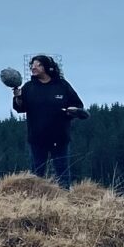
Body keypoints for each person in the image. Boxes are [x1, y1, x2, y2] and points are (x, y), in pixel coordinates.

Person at [12, 54, 86, 188]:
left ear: (48, 67)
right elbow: (20, 108)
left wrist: (73, 110)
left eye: (38, 64)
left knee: (62, 172)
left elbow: (78, 105)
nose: (34, 67)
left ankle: (64, 198)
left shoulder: (62, 85)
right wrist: (18, 97)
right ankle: (37, 200)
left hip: (60, 137)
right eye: (32, 65)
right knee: (37, 175)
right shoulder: (29, 87)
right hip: (37, 138)